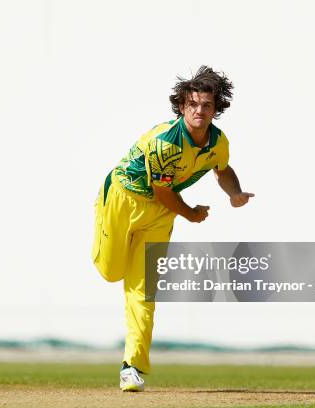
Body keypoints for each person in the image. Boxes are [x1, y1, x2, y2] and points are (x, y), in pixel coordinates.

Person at [91, 66, 254, 391]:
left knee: (143, 290)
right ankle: (114, 254)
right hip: (123, 198)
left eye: (206, 105)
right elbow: (164, 191)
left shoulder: (218, 141)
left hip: (160, 214)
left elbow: (221, 169)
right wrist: (192, 214)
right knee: (111, 273)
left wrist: (234, 193)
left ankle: (131, 367)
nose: (199, 110)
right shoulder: (166, 142)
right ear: (181, 107)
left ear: (215, 109)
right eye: (192, 104)